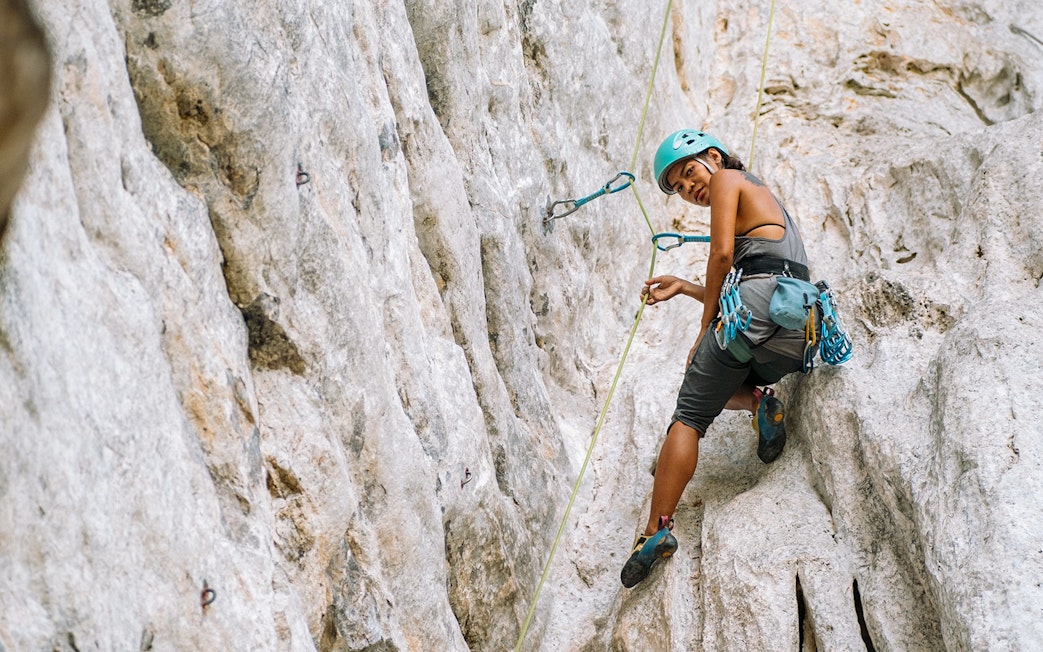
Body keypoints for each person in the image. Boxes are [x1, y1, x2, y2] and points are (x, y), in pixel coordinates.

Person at [621, 129, 814, 588]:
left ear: (713, 156)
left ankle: (655, 532)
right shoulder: (766, 198)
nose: (691, 188)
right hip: (796, 328)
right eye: (681, 187)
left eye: (689, 172)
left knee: (689, 412)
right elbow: (765, 275)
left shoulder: (729, 178)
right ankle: (760, 402)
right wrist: (687, 288)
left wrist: (704, 328)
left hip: (754, 313)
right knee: (726, 367)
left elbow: (723, 254)